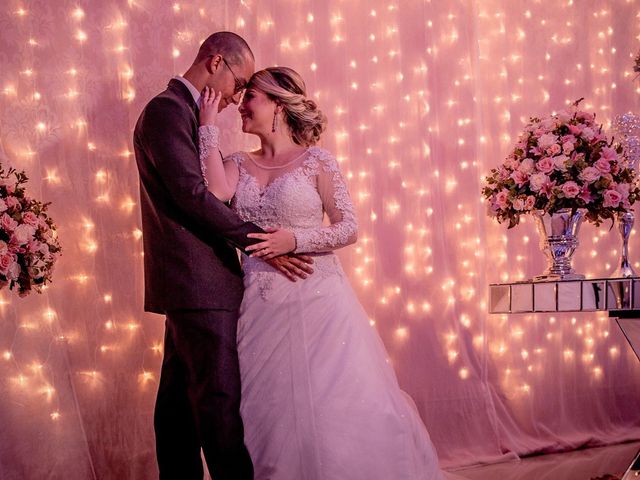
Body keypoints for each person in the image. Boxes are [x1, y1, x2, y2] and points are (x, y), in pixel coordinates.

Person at [198, 67, 445, 479]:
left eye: (251, 97)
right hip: (260, 306)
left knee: (334, 401)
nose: (240, 105)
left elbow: (348, 226)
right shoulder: (238, 162)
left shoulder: (317, 161)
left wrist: (293, 240)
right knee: (269, 405)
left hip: (320, 302)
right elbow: (216, 194)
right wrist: (207, 127)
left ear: (278, 102)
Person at [133, 33, 312, 480]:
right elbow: (193, 196)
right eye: (239, 83)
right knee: (218, 405)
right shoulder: (166, 110)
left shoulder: (187, 113)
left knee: (176, 405)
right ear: (216, 63)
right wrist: (260, 242)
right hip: (198, 280)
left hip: (192, 281)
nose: (237, 98)